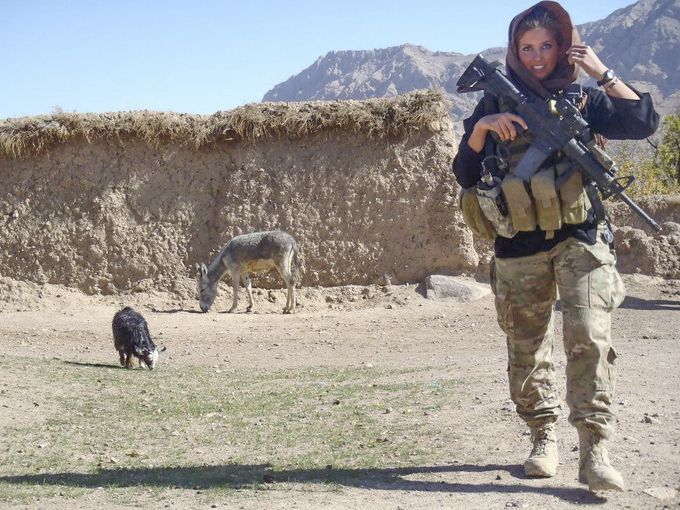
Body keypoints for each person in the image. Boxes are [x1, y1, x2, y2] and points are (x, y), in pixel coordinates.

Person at [452, 1, 659, 492]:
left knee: (589, 337)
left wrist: (602, 72)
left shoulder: (585, 100)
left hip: (579, 237)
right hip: (517, 244)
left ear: (564, 46)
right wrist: (483, 129)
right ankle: (542, 437)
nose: (538, 56)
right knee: (527, 349)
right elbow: (463, 172)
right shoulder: (492, 102)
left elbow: (643, 121)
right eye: (528, 48)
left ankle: (595, 450)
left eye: (548, 46)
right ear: (514, 52)